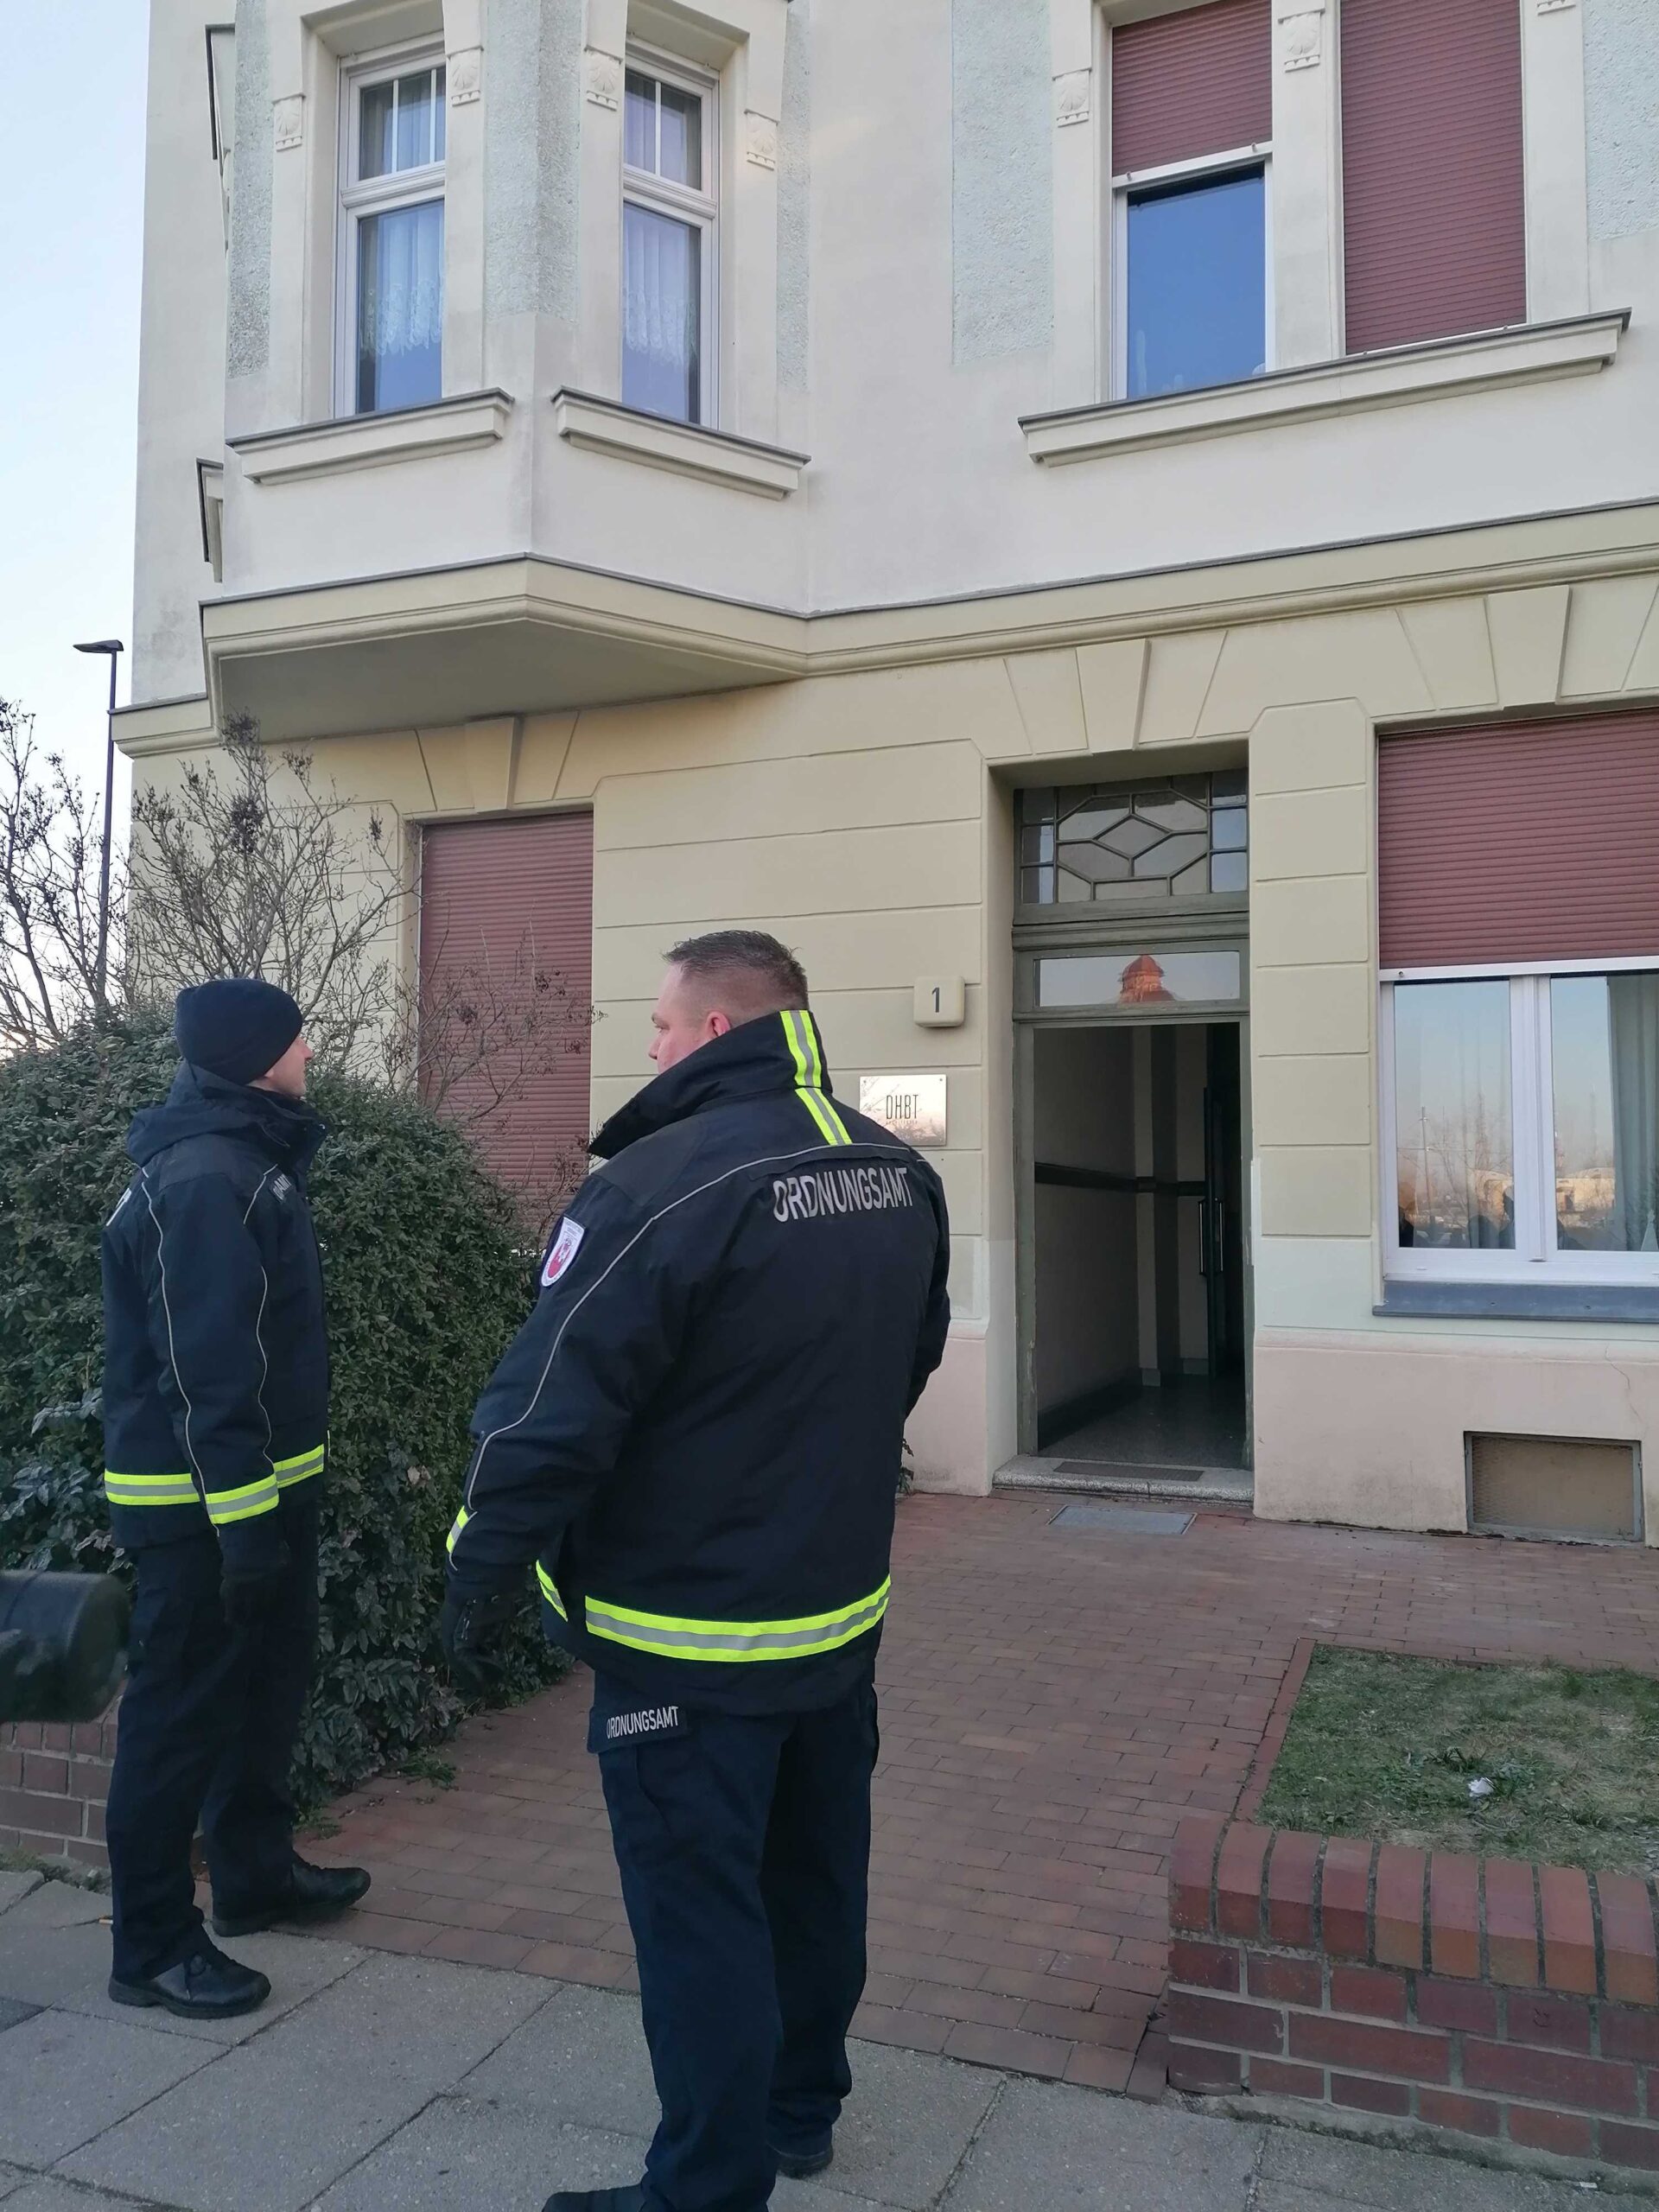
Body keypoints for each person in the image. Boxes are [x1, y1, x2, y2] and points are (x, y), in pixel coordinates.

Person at [443, 931, 951, 2212]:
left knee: (700, 1915)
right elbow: (910, 1359)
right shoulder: (896, 1174)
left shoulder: (656, 1187)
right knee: (815, 1875)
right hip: (834, 1615)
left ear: (717, 1031)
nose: (651, 1048)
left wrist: (478, 1573)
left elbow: (547, 1409)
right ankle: (798, 2108)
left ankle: (704, 2189)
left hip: (686, 1635)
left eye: (661, 1027)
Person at [100, 978, 369, 2019]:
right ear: (260, 1056)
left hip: (254, 1505)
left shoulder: (246, 1158)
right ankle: (152, 1946)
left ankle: (253, 1875)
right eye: (299, 1038)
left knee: (261, 1695)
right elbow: (209, 1373)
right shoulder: (209, 1175)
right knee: (176, 1720)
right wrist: (247, 1528)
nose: (311, 1052)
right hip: (200, 1515)